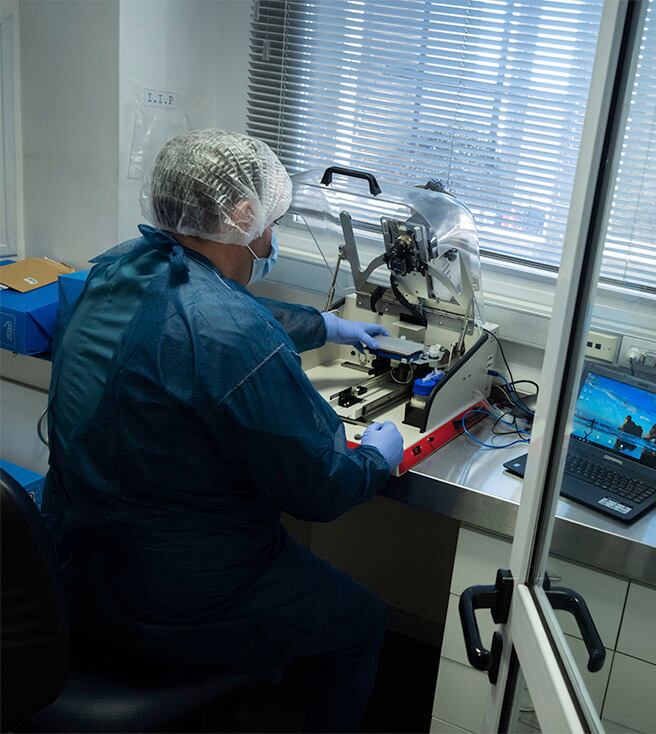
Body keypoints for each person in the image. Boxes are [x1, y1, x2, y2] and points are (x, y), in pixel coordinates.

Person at [42, 129, 404, 732]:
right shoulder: (230, 331)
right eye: (271, 219)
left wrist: (325, 326)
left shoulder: (117, 271)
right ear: (241, 214)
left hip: (75, 568)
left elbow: (205, 316)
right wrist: (380, 458)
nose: (271, 236)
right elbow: (321, 488)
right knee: (362, 622)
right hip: (174, 595)